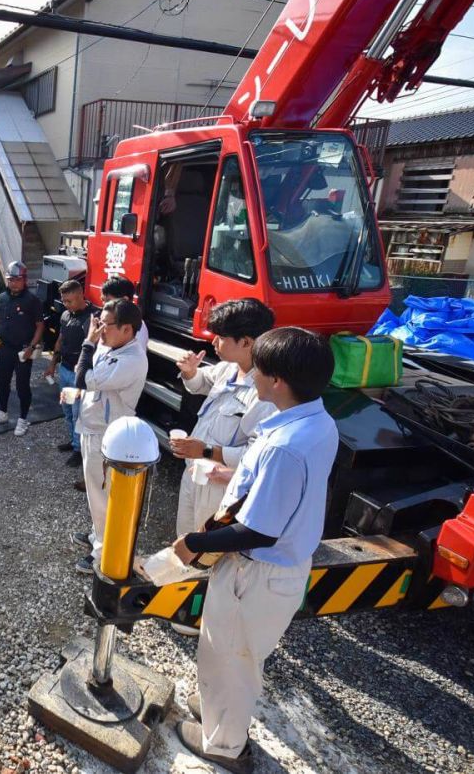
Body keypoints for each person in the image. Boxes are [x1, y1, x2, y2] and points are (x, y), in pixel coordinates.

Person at [171, 327, 338, 773]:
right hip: (271, 570)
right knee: (228, 652)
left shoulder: (287, 447)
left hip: (257, 571)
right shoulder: (317, 420)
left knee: (232, 657)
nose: (253, 376)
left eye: (260, 370)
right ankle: (217, 709)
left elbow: (258, 532)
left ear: (278, 381)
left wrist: (195, 543)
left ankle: (223, 745)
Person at [167, 298, 277, 636]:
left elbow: (260, 453)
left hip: (222, 485)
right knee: (186, 536)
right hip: (195, 474)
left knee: (211, 551)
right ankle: (184, 597)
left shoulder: (266, 392)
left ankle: (202, 616)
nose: (213, 342)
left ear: (247, 342)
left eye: (221, 337)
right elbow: (202, 383)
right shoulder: (229, 368)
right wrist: (189, 373)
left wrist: (208, 451)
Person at [72, 299, 147, 574]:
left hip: (107, 436)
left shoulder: (131, 359)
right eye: (99, 322)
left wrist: (88, 343)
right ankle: (97, 536)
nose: (101, 329)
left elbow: (83, 376)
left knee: (103, 497)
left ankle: (103, 553)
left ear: (127, 329)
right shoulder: (115, 347)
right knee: (95, 493)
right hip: (93, 427)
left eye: (106, 324)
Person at [0, 261, 45, 436]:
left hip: (23, 351)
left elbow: (40, 326)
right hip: (5, 348)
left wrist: (32, 347)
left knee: (22, 386)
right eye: (11, 279)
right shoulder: (2, 297)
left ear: (24, 280)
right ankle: (2, 412)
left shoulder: (32, 300)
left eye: (17, 279)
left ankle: (23, 419)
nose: (14, 283)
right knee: (1, 382)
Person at [45, 279, 95, 468]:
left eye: (70, 301)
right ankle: (73, 442)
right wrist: (52, 364)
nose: (66, 305)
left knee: (77, 413)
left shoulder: (92, 318)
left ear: (81, 295)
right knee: (67, 410)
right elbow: (60, 340)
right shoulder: (65, 315)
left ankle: (79, 451)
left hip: (79, 375)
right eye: (64, 301)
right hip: (65, 369)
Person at [99, 276, 150, 350]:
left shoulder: (137, 328)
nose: (104, 305)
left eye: (108, 301)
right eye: (102, 300)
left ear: (124, 300)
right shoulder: (110, 320)